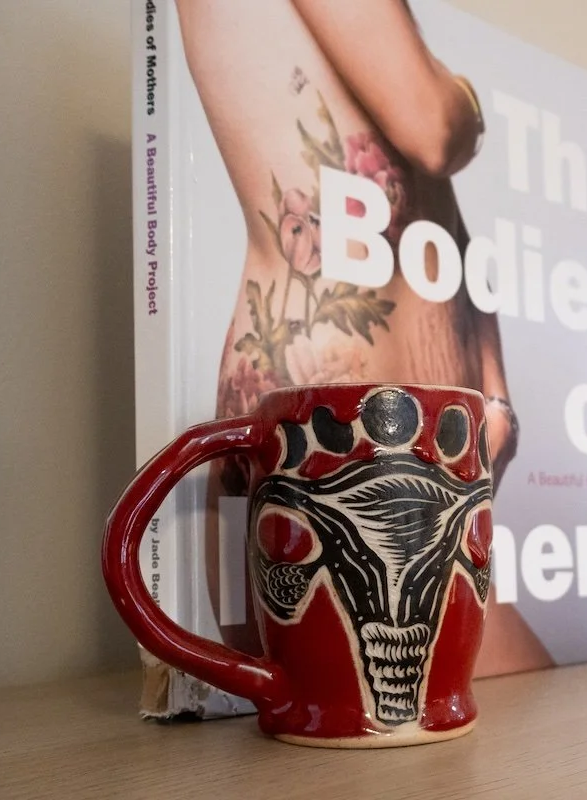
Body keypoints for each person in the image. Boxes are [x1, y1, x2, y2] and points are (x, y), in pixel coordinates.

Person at [175, 0, 552, 675]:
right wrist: (465, 95)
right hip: (336, 451)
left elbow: (413, 187)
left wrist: (484, 364)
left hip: (369, 447)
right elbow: (431, 124)